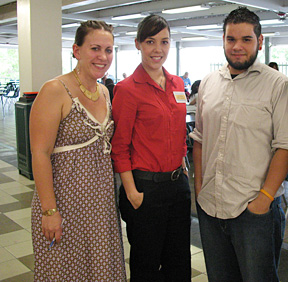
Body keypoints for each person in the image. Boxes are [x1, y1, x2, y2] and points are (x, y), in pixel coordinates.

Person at [189, 7, 288, 282]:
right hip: (210, 204)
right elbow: (201, 139)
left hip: (252, 209)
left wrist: (263, 199)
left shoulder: (279, 86)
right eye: (231, 39)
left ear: (259, 41)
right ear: (223, 40)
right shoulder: (209, 83)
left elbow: (285, 147)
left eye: (246, 39)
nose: (237, 47)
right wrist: (200, 187)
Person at [30, 20, 126, 281]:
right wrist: (50, 211)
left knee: (99, 269)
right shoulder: (55, 90)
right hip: (65, 201)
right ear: (77, 50)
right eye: (95, 48)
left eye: (109, 50)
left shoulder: (105, 92)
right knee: (65, 270)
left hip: (101, 204)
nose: (103, 56)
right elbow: (39, 153)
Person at [111, 15, 191, 281]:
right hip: (145, 189)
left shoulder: (178, 84)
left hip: (177, 187)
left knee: (178, 263)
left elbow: (179, 129)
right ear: (138, 44)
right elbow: (119, 146)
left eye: (164, 42)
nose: (158, 49)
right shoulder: (127, 89)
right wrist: (132, 192)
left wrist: (181, 159)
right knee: (146, 266)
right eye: (150, 41)